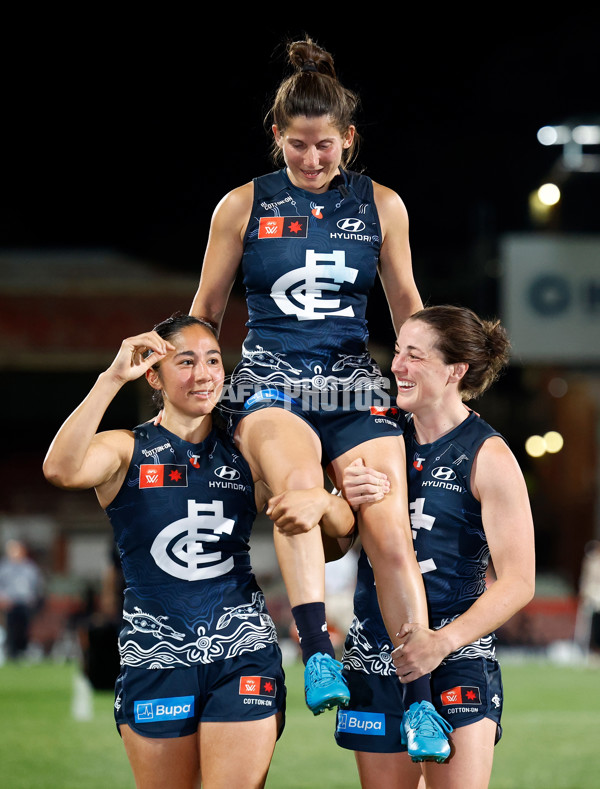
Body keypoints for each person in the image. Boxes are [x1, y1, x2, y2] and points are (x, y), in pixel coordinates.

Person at [189, 35, 446, 758]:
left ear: (348, 140)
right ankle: (316, 649)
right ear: (278, 137)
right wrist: (192, 398)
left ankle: (419, 700)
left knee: (390, 529)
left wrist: (430, 394)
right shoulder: (241, 206)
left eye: (324, 146)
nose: (310, 158)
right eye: (297, 145)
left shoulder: (382, 205)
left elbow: (406, 309)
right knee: (300, 490)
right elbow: (206, 310)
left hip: (354, 381)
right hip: (270, 380)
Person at [42, 314, 350, 789]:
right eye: (185, 362)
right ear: (154, 375)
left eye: (211, 360)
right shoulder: (126, 451)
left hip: (242, 651)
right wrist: (109, 379)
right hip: (155, 657)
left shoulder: (248, 450)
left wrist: (325, 500)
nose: (203, 374)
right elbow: (61, 469)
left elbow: (336, 541)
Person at [334, 305, 536, 789]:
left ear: (455, 370)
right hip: (374, 656)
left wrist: (440, 643)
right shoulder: (378, 439)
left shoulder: (489, 455)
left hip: (455, 657)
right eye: (398, 352)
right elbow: (331, 546)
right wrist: (339, 502)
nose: (397, 366)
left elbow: (519, 582)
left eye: (415, 356)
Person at [0, 539, 44, 660]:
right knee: (11, 628)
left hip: (26, 603)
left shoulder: (30, 568)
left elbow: (37, 585)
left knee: (25, 628)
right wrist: (3, 598)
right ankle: (12, 652)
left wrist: (33, 599)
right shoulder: (4, 568)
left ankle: (23, 650)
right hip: (10, 603)